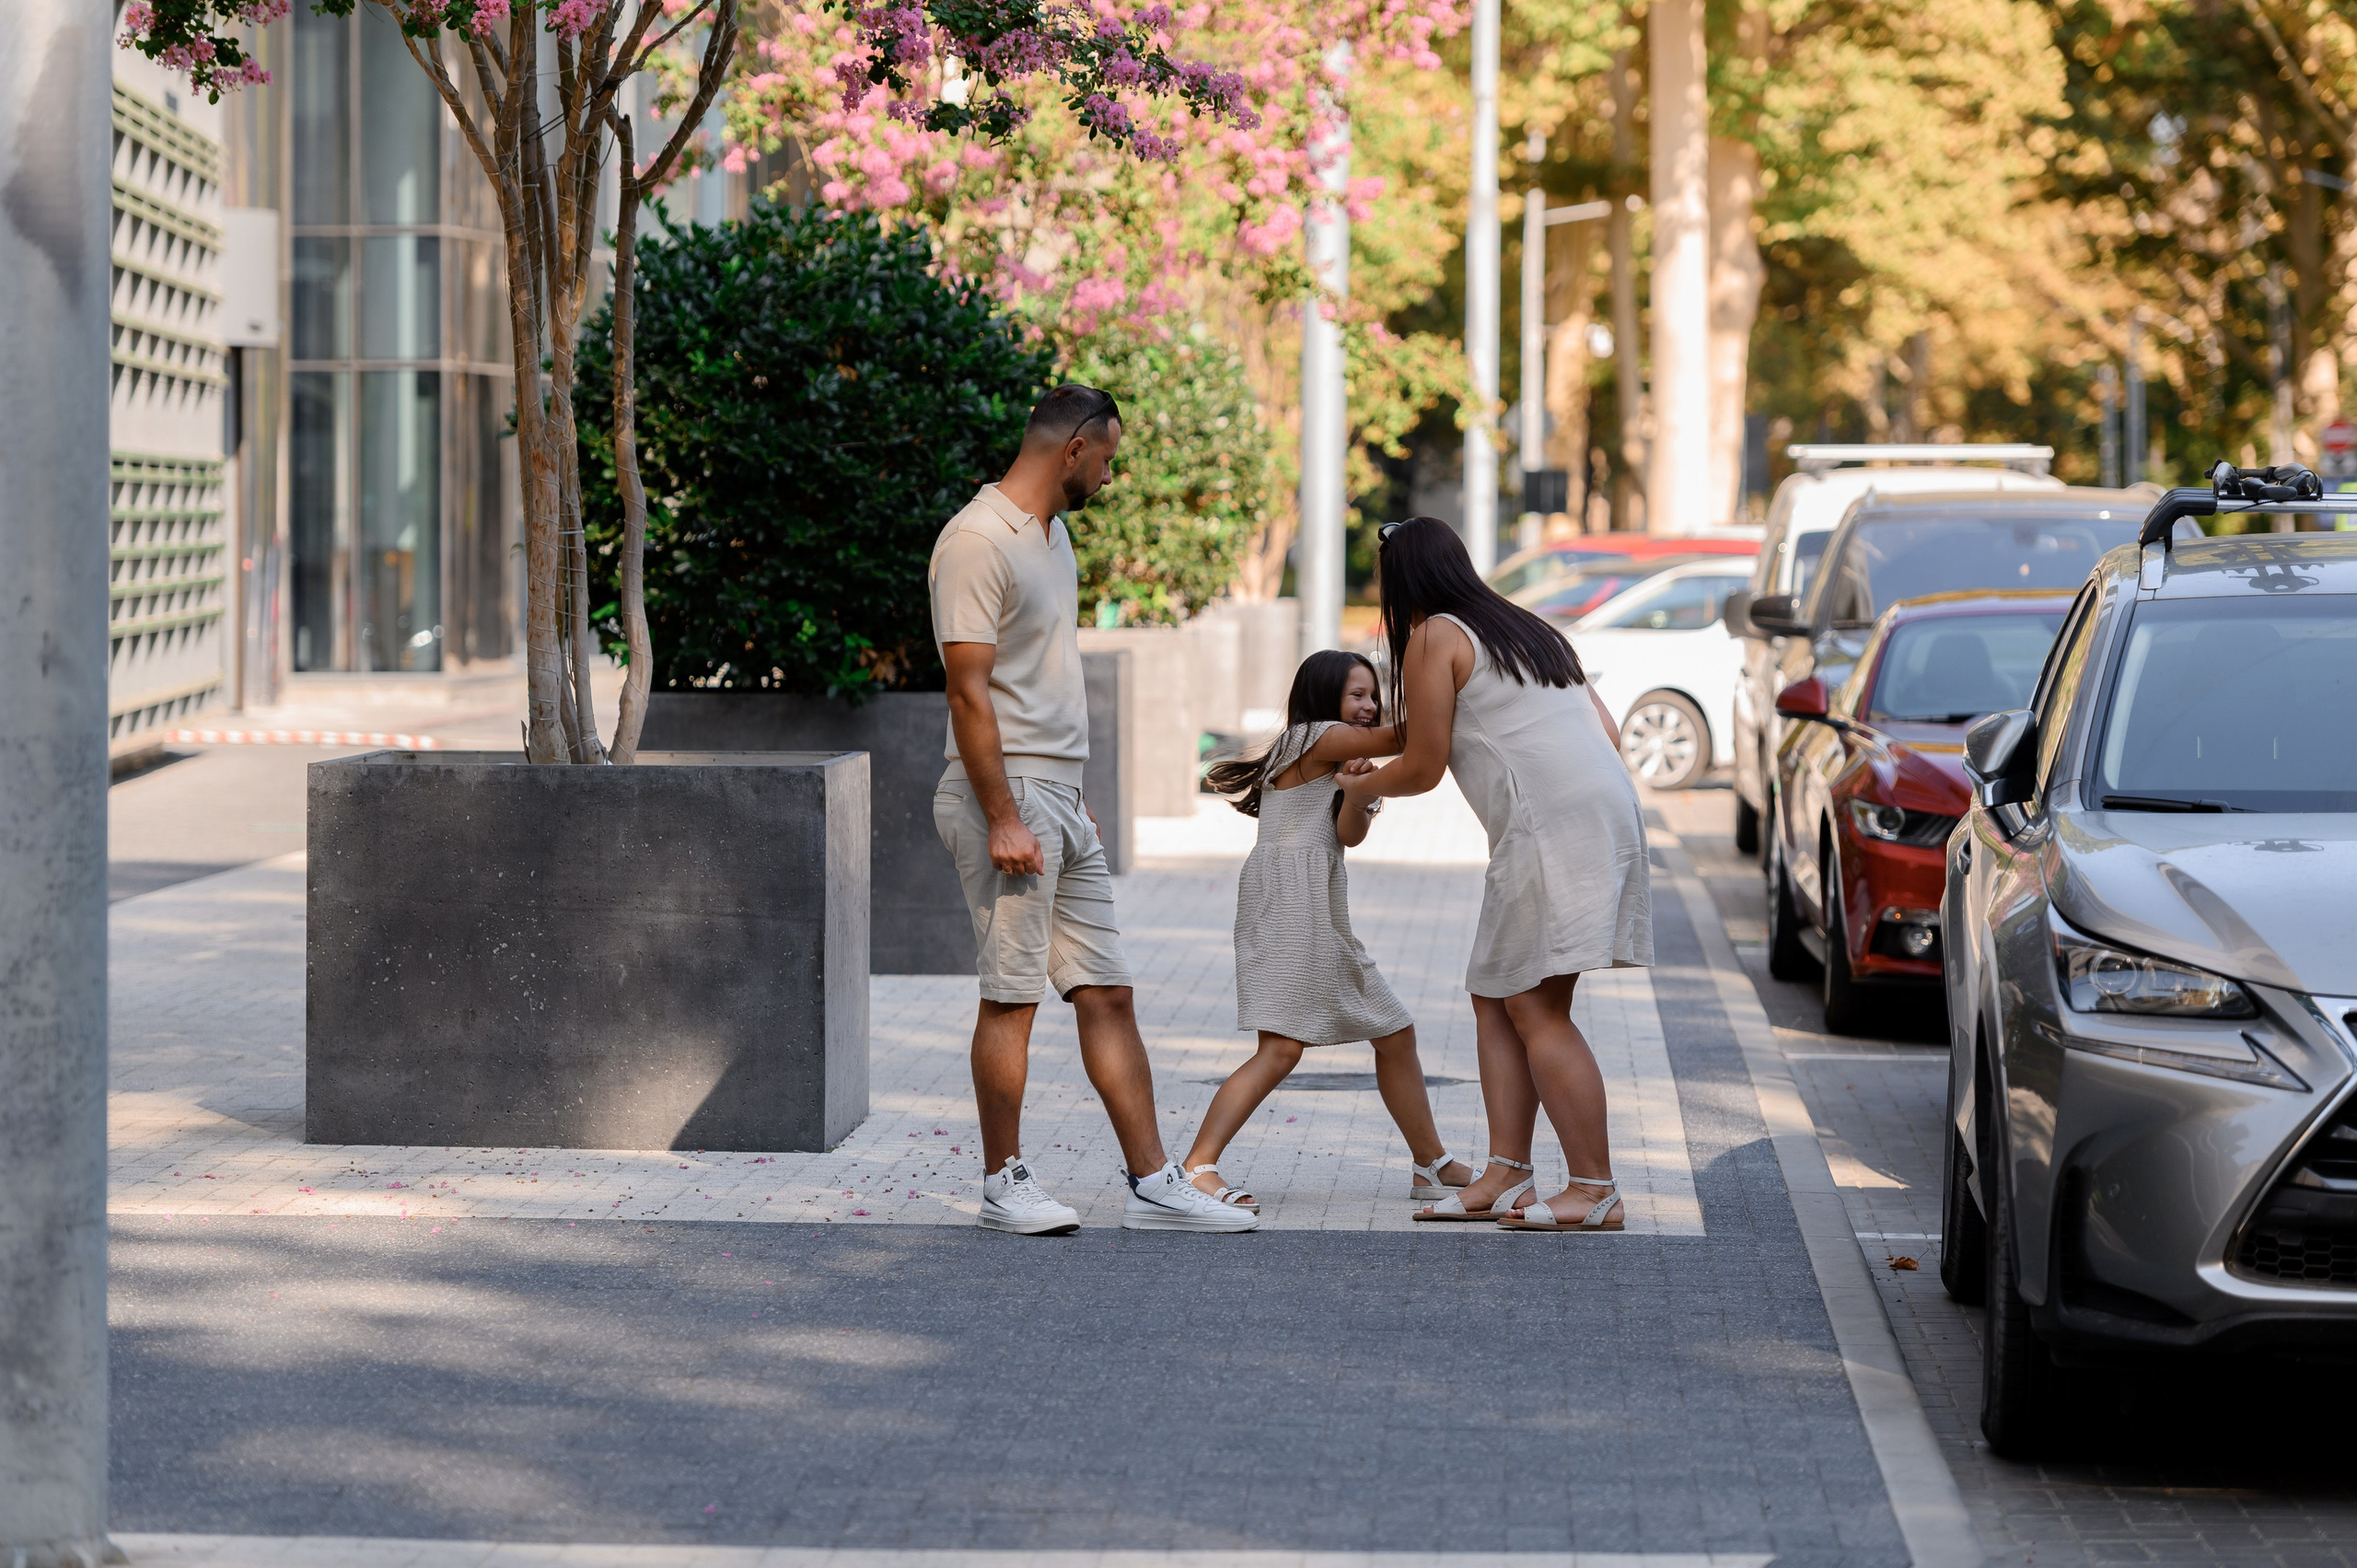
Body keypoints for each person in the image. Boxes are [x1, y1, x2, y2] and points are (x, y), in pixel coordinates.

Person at [929, 384, 1257, 1235]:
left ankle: (1154, 1180)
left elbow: (1043, 676)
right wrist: (1006, 814)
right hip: (1006, 796)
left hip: (1059, 796)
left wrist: (1074, 798)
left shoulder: (1055, 535)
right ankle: (1005, 1181)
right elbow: (969, 693)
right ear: (1073, 448)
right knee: (1012, 996)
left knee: (1108, 992)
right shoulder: (975, 541)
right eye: (1108, 457)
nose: (1111, 475)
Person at [1338, 517, 1653, 1232]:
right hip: (1603, 817)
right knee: (1497, 994)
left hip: (1551, 831)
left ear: (1402, 579)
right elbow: (1599, 732)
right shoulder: (1528, 629)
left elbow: (1421, 764)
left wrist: (1357, 788)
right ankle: (1507, 1173)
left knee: (1538, 1010)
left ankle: (1595, 1190)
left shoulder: (1432, 636)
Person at [1181, 651, 1476, 1212]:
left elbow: (1348, 835)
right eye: (1357, 695)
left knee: (1395, 1032)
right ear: (1323, 699)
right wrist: (1464, 687)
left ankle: (1430, 1163)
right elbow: (1408, 736)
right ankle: (1198, 1166)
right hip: (1289, 907)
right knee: (1282, 1047)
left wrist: (1359, 793)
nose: (1369, 707)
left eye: (1373, 695)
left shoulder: (1338, 756)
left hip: (1320, 909)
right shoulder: (1314, 736)